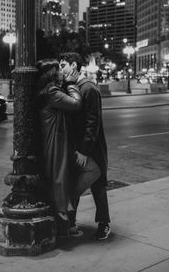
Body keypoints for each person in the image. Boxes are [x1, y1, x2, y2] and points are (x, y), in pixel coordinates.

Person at [59, 52, 111, 240]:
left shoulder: (89, 89)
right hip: (75, 148)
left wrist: (84, 150)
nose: (60, 69)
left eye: (63, 65)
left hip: (91, 149)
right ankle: (71, 223)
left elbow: (92, 123)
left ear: (74, 65)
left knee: (98, 186)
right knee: (74, 183)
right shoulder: (71, 86)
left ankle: (104, 224)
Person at [36, 58, 82, 236]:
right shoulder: (52, 91)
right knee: (59, 178)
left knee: (59, 178)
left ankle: (63, 221)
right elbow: (76, 104)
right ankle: (63, 225)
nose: (63, 72)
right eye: (59, 69)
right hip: (56, 141)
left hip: (54, 140)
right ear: (52, 74)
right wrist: (71, 84)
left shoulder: (48, 91)